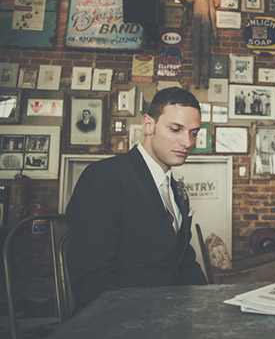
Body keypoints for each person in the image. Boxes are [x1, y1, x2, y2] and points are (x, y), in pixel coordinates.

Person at [66, 87, 207, 308]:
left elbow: (183, 261)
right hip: (120, 322)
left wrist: (208, 304)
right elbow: (91, 281)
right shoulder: (105, 177)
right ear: (148, 125)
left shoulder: (176, 189)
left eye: (193, 132)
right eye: (176, 129)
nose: (187, 142)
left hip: (172, 317)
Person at [172, 0, 218, 89]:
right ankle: (196, 82)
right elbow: (188, 3)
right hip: (196, 23)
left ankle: (206, 82)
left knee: (206, 53)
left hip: (206, 23)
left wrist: (214, 29)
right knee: (196, 53)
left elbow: (212, 10)